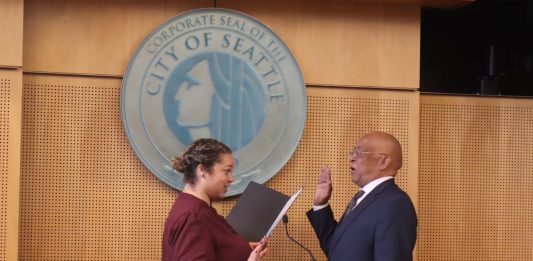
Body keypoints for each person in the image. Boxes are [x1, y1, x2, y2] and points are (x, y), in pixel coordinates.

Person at [307, 132, 417, 260]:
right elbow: (337, 249)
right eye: (353, 152)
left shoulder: (396, 204)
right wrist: (321, 205)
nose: (351, 158)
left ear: (384, 161)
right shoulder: (364, 198)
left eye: (359, 153)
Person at [162, 138, 268, 260]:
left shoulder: (195, 208)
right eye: (226, 171)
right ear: (202, 171)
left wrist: (240, 249)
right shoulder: (194, 217)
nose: (231, 179)